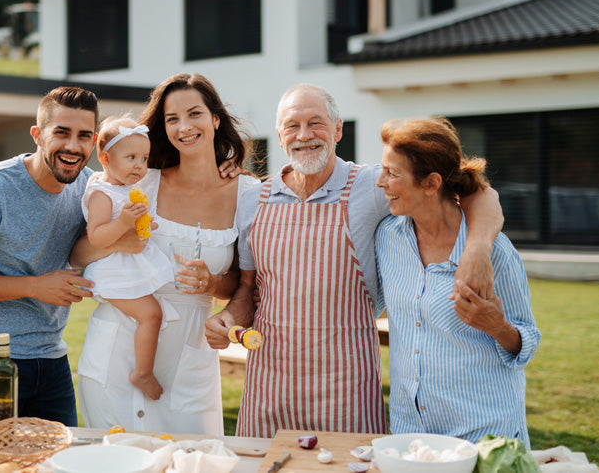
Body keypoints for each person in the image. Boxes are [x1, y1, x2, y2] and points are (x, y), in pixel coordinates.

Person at [205, 83, 505, 438]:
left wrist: (478, 248)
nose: (304, 135)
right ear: (279, 135)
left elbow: (479, 193)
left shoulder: (372, 186)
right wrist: (226, 318)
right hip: (269, 381)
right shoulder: (254, 198)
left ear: (337, 129)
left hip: (345, 385)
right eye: (292, 126)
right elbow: (246, 290)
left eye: (316, 123)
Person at [75, 73, 261, 435]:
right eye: (172, 119)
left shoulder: (248, 193)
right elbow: (78, 256)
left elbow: (241, 284)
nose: (184, 127)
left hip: (190, 359)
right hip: (118, 348)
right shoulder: (140, 180)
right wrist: (117, 243)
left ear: (215, 119)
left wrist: (212, 281)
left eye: (194, 114)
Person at [0, 86, 114, 427]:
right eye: (62, 133)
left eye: (84, 136)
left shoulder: (92, 190)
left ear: (94, 143)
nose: (73, 146)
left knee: (58, 463)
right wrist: (35, 286)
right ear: (37, 135)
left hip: (52, 357)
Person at [374, 116, 541, 446]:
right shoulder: (387, 239)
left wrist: (498, 327)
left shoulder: (496, 253)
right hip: (412, 434)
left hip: (482, 432)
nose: (381, 182)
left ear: (431, 183)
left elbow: (528, 342)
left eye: (392, 174)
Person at [80, 114, 171, 400]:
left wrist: (143, 224)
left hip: (125, 266)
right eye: (131, 157)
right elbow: (96, 236)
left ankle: (142, 370)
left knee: (153, 314)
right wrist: (123, 224)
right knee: (152, 315)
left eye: (144, 158)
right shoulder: (101, 194)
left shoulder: (123, 189)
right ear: (105, 159)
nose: (139, 166)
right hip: (112, 272)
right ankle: (142, 373)